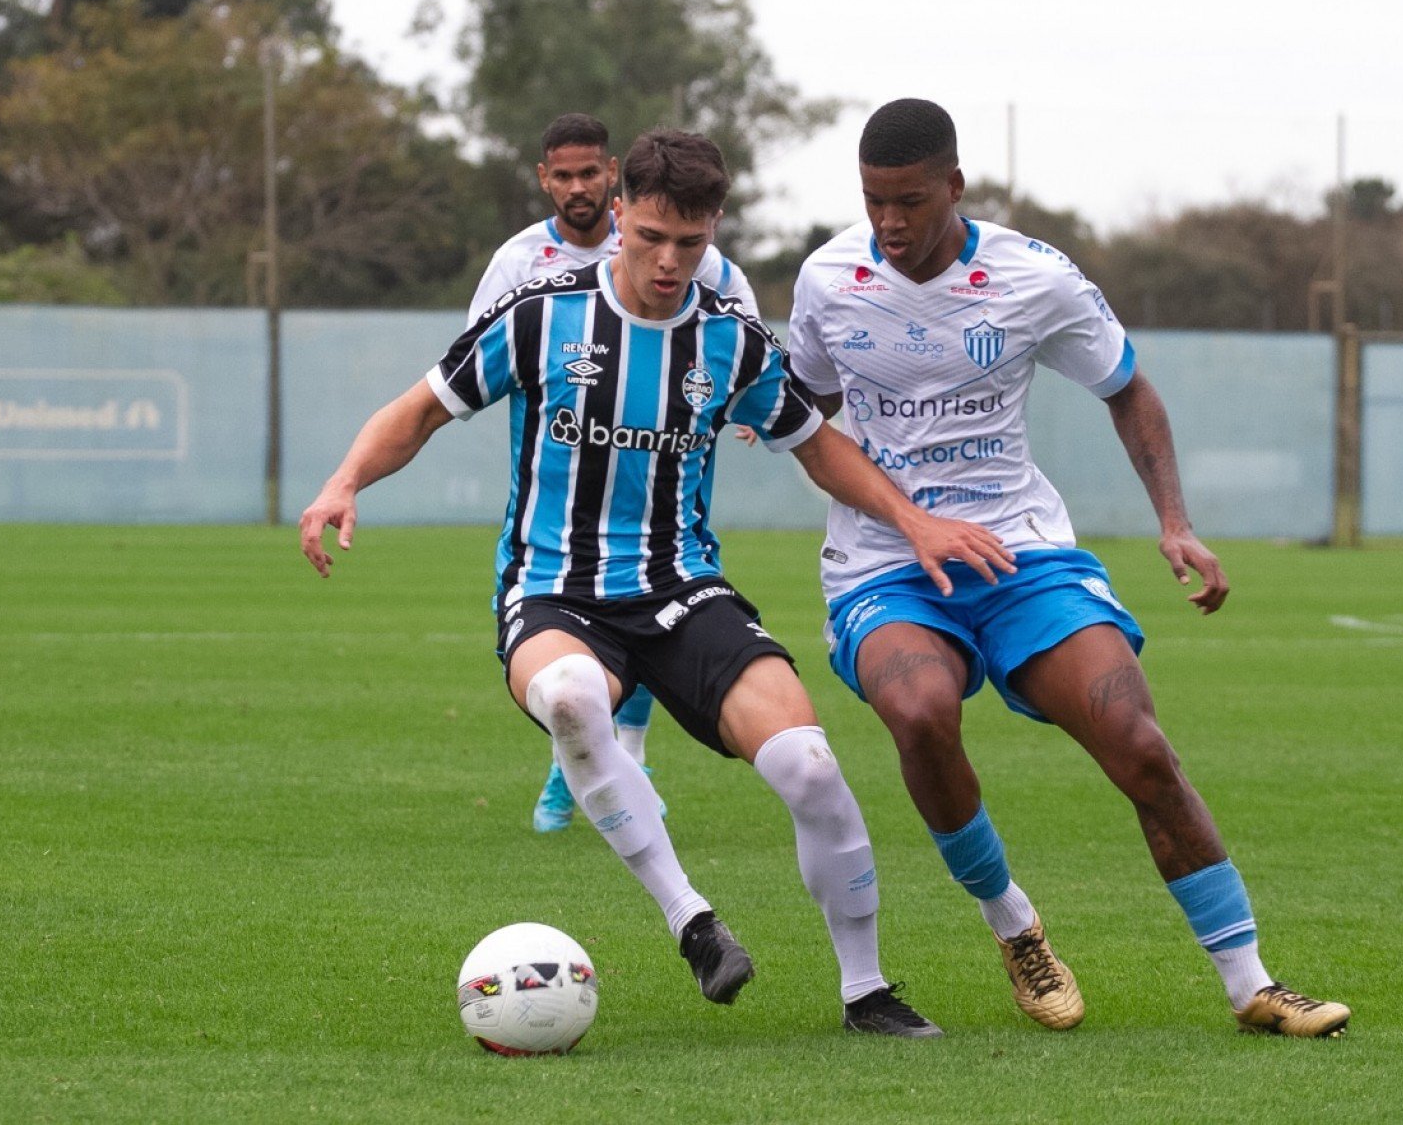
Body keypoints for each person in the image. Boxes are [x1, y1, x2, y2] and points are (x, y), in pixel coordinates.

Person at [301, 128, 1017, 1036]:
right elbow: (418, 412)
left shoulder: (732, 342)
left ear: (713, 229)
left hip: (683, 591)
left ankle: (866, 990)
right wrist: (342, 483)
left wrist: (912, 520)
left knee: (810, 765)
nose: (671, 262)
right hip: (555, 590)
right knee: (569, 695)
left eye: (692, 242)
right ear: (620, 216)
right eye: (651, 238)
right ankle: (692, 919)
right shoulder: (540, 315)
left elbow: (819, 446)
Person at [784, 99, 1350, 1038]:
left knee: (1136, 739)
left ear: (955, 187)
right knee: (920, 712)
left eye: (911, 201)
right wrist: (906, 516)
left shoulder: (1033, 277)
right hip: (885, 562)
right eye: (875, 201)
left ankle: (1251, 981)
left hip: (1022, 554)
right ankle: (1016, 927)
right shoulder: (827, 281)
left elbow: (1128, 388)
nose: (890, 222)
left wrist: (1176, 523)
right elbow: (804, 418)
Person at [472, 112, 761, 835]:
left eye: (589, 172)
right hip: (565, 460)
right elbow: (476, 352)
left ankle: (625, 750)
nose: (577, 186)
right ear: (545, 179)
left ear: (612, 180)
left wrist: (751, 408)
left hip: (669, 454)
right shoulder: (519, 261)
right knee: (578, 598)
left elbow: (747, 348)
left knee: (655, 581)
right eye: (562, 174)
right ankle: (587, 752)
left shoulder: (698, 258)